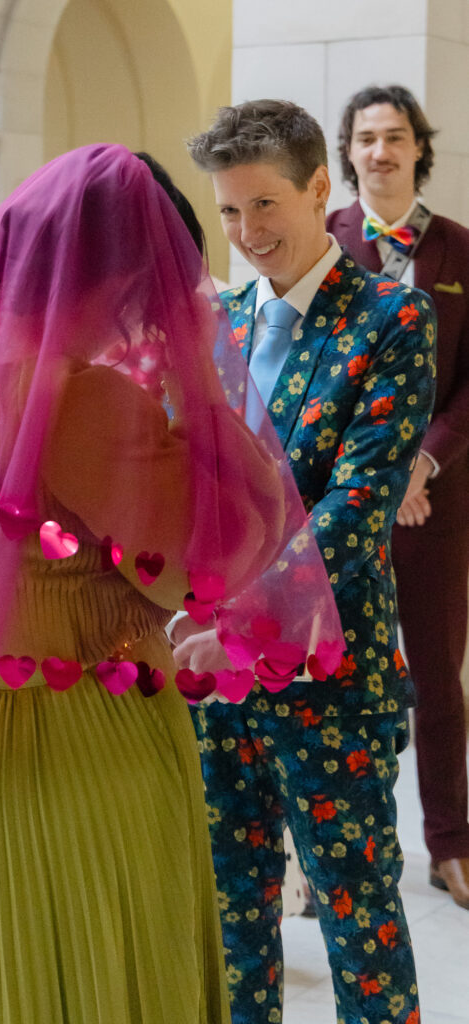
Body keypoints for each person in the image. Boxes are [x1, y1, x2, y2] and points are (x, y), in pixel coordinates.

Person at [0, 144, 342, 1024]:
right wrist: (204, 393)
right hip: (73, 761)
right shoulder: (91, 404)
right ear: (129, 281)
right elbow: (231, 552)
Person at [178, 100, 436, 1024]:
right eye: (229, 213)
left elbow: (357, 510)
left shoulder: (391, 319)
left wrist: (234, 620)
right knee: (231, 915)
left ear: (321, 188)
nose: (247, 234)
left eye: (265, 207)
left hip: (334, 678)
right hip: (214, 686)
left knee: (358, 918)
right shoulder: (218, 326)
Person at [327, 84, 469, 912]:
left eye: (396, 137)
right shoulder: (325, 245)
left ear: (420, 148)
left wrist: (426, 463)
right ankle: (342, 843)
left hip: (438, 505)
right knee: (339, 672)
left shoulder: (459, 251)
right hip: (346, 499)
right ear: (347, 154)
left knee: (439, 678)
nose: (381, 151)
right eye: (367, 138)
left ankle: (449, 843)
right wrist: (377, 471)